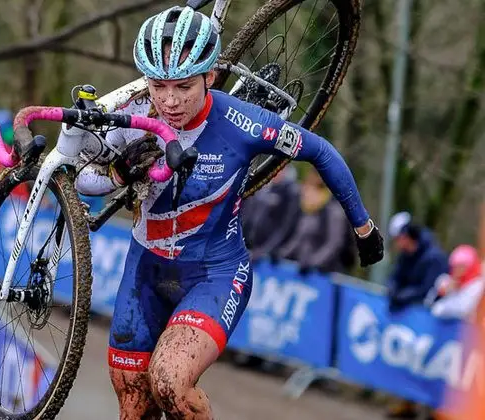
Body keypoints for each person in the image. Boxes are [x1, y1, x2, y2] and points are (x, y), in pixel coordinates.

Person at [68, 6, 384, 419]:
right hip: (144, 269)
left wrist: (363, 226)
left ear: (210, 78)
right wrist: (117, 172)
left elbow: (320, 151)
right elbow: (79, 179)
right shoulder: (135, 114)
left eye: (183, 86)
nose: (169, 100)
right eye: (159, 86)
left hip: (214, 273)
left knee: (171, 383)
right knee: (134, 407)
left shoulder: (244, 124)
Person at [384, 211, 449, 419]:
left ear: (406, 236)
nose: (397, 244)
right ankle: (408, 404)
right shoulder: (407, 254)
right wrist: (393, 291)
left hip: (431, 320)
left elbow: (427, 288)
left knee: (428, 363)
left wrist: (402, 296)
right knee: (410, 360)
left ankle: (434, 410)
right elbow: (395, 276)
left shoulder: (434, 257)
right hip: (412, 316)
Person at [277, 167, 354, 274]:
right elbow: (298, 238)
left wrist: (313, 263)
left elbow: (333, 244)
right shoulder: (309, 210)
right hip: (304, 268)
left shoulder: (334, 212)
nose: (305, 194)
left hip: (325, 273)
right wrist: (281, 254)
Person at [240, 165, 300, 262]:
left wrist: (263, 250)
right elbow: (249, 217)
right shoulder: (265, 188)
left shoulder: (290, 192)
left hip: (269, 254)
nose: (275, 173)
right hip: (251, 246)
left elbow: (284, 227)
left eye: (280, 170)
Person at [428, 244, 484, 320]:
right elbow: (428, 301)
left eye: (461, 266)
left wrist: (440, 307)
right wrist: (441, 293)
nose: (457, 270)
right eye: (455, 266)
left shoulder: (477, 285)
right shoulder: (446, 280)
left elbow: (463, 309)